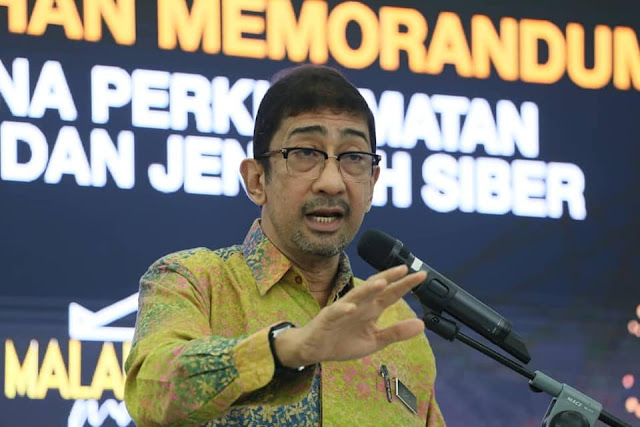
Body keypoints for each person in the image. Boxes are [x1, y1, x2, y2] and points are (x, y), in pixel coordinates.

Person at [124, 65, 445, 426]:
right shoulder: (194, 281)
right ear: (256, 180)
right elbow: (152, 391)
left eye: (353, 157)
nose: (332, 183)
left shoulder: (396, 322)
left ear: (372, 184)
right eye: (305, 152)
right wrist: (286, 349)